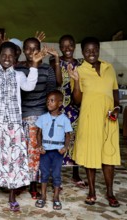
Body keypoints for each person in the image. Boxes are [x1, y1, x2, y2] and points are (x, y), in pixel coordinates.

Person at [0, 41, 46, 212]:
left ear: (16, 58)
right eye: (4, 55)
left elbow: (29, 86)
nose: (7, 58)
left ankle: (11, 196)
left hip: (13, 124)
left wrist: (34, 65)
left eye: (10, 56)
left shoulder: (18, 75)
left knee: (13, 160)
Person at [68, 37, 121, 207]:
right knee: (91, 156)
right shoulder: (79, 70)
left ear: (99, 49)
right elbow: (76, 100)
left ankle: (110, 193)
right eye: (87, 51)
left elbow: (115, 93)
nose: (91, 53)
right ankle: (91, 191)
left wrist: (117, 108)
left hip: (109, 119)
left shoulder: (109, 68)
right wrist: (76, 80)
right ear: (82, 52)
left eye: (94, 50)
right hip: (90, 118)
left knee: (109, 157)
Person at [15, 37, 57, 199]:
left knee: (34, 153)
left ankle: (33, 185)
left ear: (40, 50)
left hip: (39, 116)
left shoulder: (47, 69)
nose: (31, 52)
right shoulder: (17, 69)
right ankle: (20, 183)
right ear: (22, 51)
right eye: (28, 48)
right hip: (19, 116)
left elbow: (51, 91)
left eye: (35, 49)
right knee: (20, 152)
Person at [50, 34, 86, 188]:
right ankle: (56, 173)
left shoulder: (82, 64)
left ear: (75, 46)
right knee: (57, 139)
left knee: (75, 139)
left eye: (70, 45)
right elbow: (58, 82)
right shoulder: (54, 62)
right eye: (63, 46)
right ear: (60, 47)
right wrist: (58, 60)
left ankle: (75, 174)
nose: (67, 49)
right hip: (60, 107)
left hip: (76, 108)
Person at [35, 90, 72, 210]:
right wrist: (40, 146)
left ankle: (56, 197)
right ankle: (43, 196)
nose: (49, 103)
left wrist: (65, 147)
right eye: (47, 101)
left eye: (52, 100)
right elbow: (38, 133)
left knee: (56, 174)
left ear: (60, 103)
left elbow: (68, 135)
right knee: (44, 173)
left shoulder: (65, 119)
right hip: (45, 151)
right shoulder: (42, 118)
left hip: (57, 152)